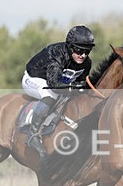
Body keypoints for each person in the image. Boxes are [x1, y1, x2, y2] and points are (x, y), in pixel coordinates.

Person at [21, 25, 94, 157]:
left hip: (56, 84)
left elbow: (82, 85)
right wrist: (75, 87)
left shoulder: (87, 63)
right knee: (50, 94)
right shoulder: (57, 53)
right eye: (79, 50)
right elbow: (53, 84)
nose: (83, 55)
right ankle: (33, 134)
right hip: (34, 79)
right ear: (70, 46)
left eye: (87, 51)